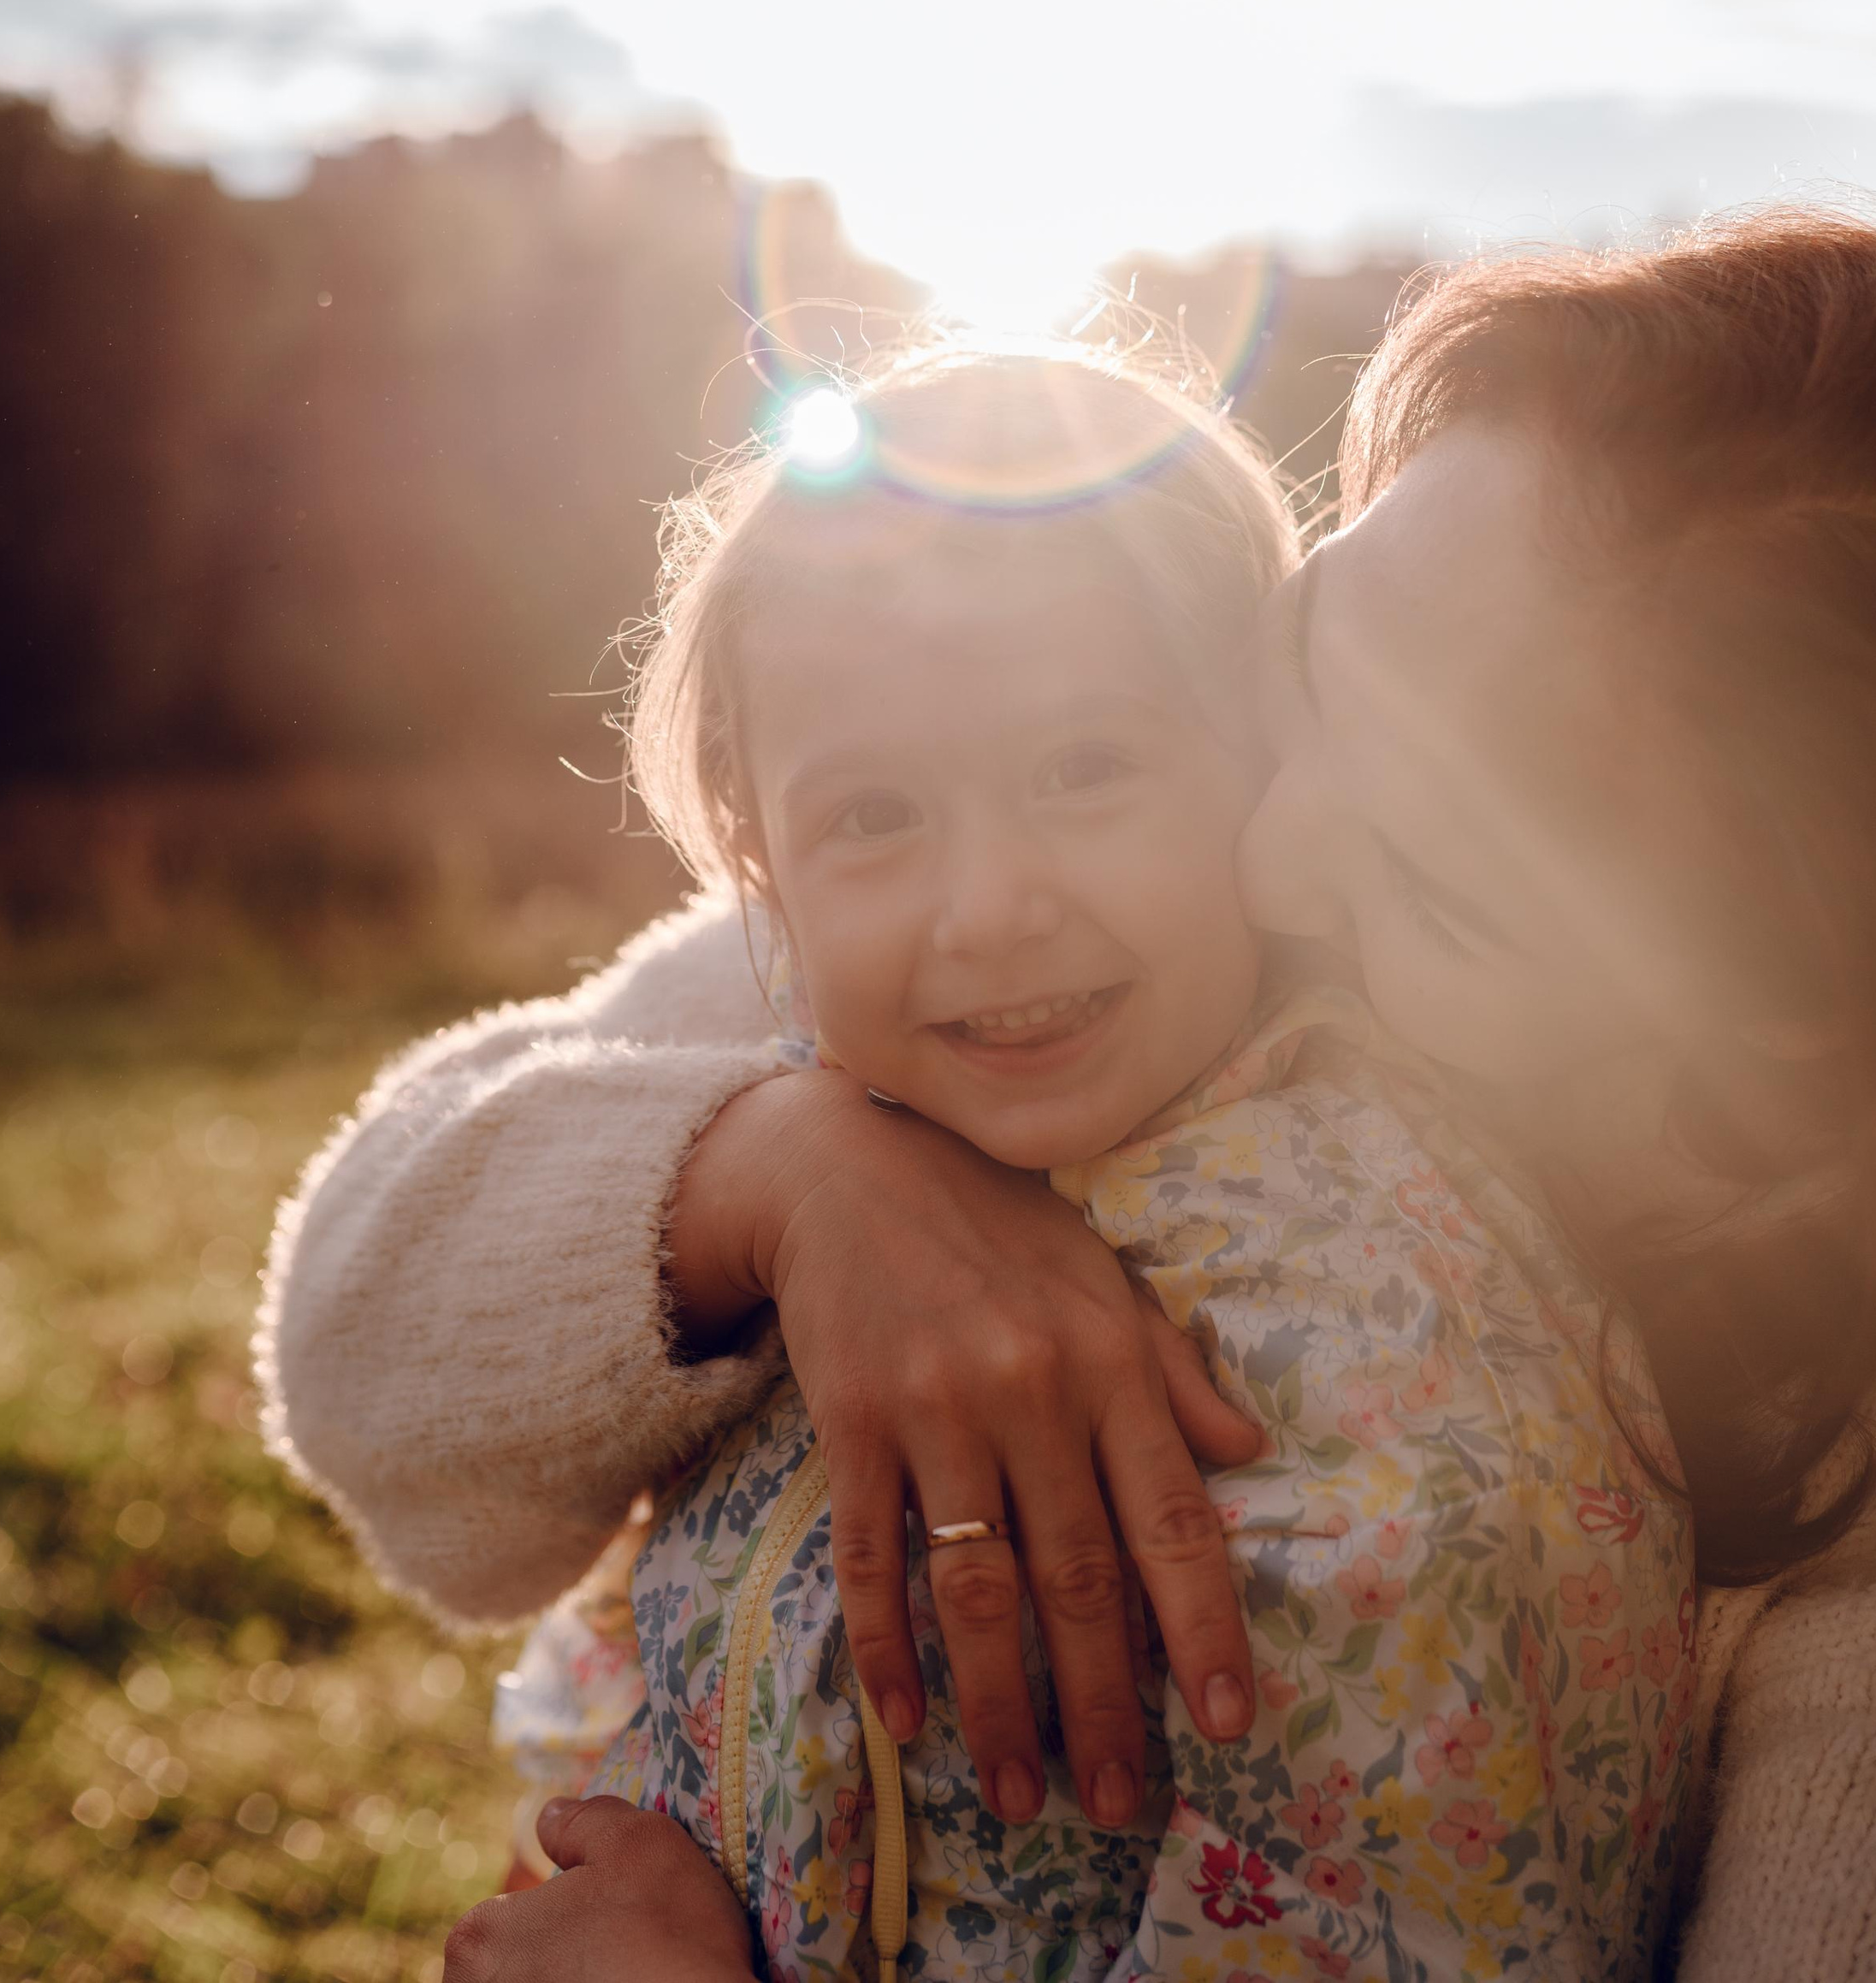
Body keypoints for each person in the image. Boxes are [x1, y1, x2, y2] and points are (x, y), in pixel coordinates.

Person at [259, 208, 1876, 1980]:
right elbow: (354, 1352)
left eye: (1433, 873)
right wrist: (779, 1173)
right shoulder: (989, 945)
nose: (1266, 851)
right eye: (1306, 661)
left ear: (1766, 997)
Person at [528, 339, 1690, 1977]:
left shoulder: (1374, 1346)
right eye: (871, 814)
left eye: (1087, 768)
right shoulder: (815, 1109)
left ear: (1263, 770)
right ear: (757, 859)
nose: (989, 903)